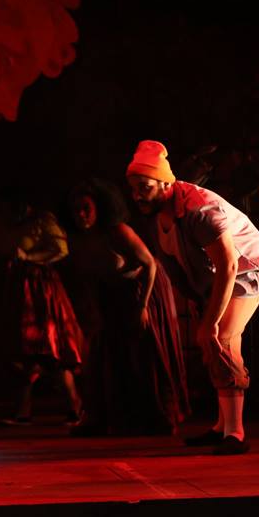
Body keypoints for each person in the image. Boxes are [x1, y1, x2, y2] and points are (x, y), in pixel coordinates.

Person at [127, 141, 259, 454]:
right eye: (134, 188)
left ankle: (236, 433)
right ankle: (222, 427)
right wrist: (198, 306)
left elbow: (229, 265)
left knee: (223, 339)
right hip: (212, 276)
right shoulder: (158, 217)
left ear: (165, 184)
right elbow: (178, 268)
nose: (137, 195)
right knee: (211, 342)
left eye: (145, 188)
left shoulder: (199, 210)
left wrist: (210, 323)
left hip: (246, 270)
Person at [66, 178, 189, 437]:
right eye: (76, 209)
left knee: (144, 351)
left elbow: (150, 265)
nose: (81, 215)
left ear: (99, 208)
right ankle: (110, 417)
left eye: (86, 208)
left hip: (143, 288)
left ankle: (156, 416)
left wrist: (143, 307)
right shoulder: (78, 238)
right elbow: (88, 277)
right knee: (108, 352)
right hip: (111, 293)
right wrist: (94, 310)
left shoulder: (118, 231)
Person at [0, 202, 83, 426]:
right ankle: (24, 412)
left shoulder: (43, 221)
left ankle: (75, 408)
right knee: (27, 351)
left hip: (41, 289)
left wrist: (29, 257)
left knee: (52, 348)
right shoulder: (13, 223)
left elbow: (61, 249)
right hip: (23, 287)